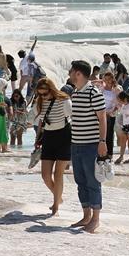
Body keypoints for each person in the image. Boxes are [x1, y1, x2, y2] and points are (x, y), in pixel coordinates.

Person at [67, 60, 108, 233]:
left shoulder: (94, 92)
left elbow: (102, 117)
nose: (69, 73)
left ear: (78, 73)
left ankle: (96, 219)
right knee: (80, 181)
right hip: (76, 143)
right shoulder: (75, 93)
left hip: (91, 144)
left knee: (93, 181)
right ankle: (86, 215)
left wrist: (102, 141)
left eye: (71, 71)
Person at [31, 77, 72, 215]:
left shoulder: (64, 100)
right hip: (48, 137)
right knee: (45, 175)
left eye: (45, 93)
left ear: (52, 90)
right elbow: (38, 122)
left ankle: (55, 206)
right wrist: (37, 139)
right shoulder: (39, 102)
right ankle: (58, 197)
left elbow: (71, 117)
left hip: (64, 136)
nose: (43, 96)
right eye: (40, 94)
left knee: (58, 173)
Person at [115, 90, 129, 163]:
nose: (119, 101)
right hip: (125, 125)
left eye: (120, 99)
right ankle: (121, 156)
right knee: (123, 141)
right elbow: (121, 115)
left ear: (125, 99)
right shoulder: (123, 106)